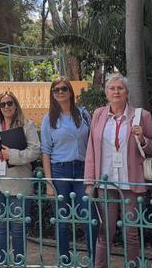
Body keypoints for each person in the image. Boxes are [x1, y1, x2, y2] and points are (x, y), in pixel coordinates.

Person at [84, 74, 152, 268]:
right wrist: (89, 182)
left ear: (127, 92)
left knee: (130, 232)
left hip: (130, 182)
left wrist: (142, 138)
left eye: (120, 88)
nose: (116, 91)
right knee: (104, 231)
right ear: (106, 92)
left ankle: (131, 265)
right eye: (112, 88)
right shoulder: (98, 114)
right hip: (105, 182)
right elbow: (91, 148)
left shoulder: (142, 116)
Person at [40, 77, 95, 264]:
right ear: (52, 95)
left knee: (89, 217)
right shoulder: (49, 119)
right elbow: (46, 152)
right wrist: (49, 183)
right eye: (56, 90)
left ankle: (93, 260)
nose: (60, 92)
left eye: (64, 88)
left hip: (81, 170)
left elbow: (91, 145)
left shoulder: (83, 114)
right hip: (60, 171)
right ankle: (64, 261)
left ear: (71, 91)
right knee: (62, 220)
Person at [0, 91, 41, 265]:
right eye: (3, 104)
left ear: (16, 105)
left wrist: (13, 155)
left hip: (19, 182)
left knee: (18, 228)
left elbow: (35, 151)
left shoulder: (27, 125)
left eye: (10, 103)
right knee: (0, 228)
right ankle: (2, 262)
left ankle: (18, 263)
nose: (6, 107)